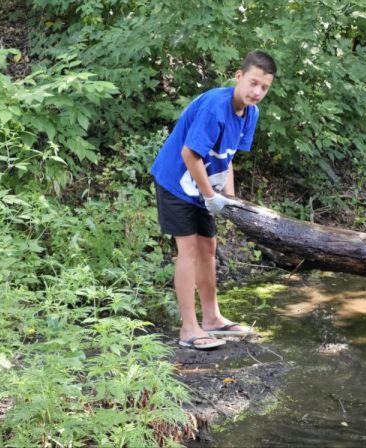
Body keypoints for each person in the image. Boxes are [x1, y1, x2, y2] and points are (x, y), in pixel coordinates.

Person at [150, 51, 276, 350]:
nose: (257, 92)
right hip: (176, 183)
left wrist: (228, 200)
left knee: (208, 247)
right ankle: (188, 328)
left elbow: (226, 158)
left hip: (202, 186)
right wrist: (210, 196)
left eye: (264, 88)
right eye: (253, 83)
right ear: (239, 76)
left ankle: (212, 319)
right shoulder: (214, 107)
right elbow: (189, 154)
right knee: (189, 249)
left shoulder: (250, 113)